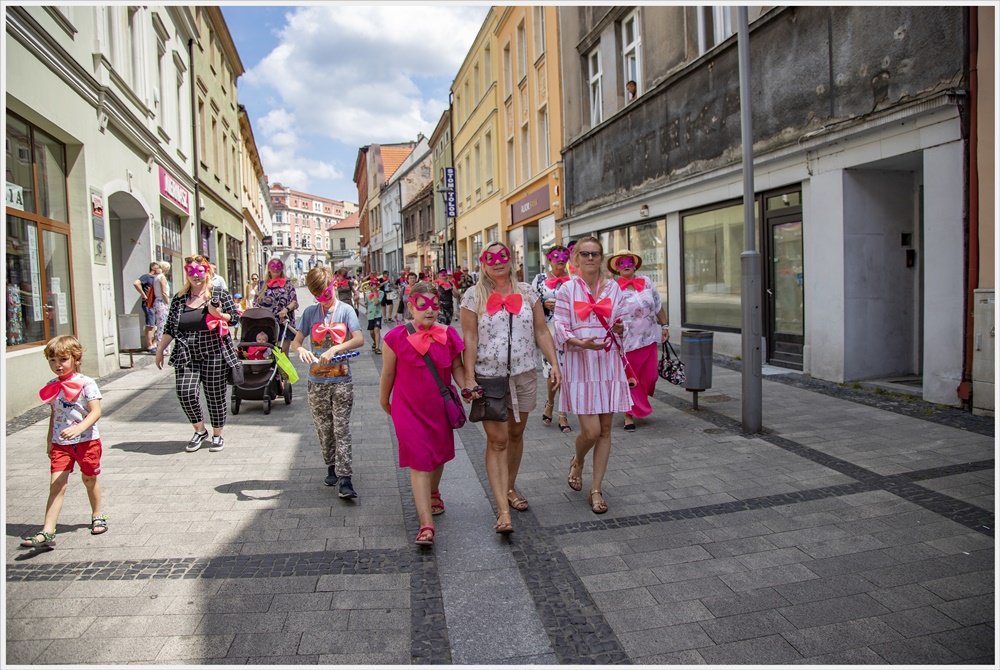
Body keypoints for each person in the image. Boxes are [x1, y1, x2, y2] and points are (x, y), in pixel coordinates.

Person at [461, 242, 561, 534]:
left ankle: (509, 487)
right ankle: (503, 511)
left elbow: (541, 330)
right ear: (483, 263)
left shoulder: (528, 293)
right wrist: (469, 377)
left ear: (512, 260)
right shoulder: (472, 296)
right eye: (490, 258)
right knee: (498, 440)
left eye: (502, 256)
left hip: (524, 374)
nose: (497, 262)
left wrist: (553, 363)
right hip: (488, 378)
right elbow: (469, 339)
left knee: (516, 434)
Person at [380, 282, 467, 546]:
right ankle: (426, 524)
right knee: (419, 461)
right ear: (410, 306)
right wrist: (385, 401)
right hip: (408, 411)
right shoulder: (395, 337)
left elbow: (457, 369)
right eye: (422, 304)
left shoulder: (449, 334)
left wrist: (467, 387)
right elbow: (388, 373)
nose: (429, 310)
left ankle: (433, 492)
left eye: (434, 303)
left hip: (438, 410)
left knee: (437, 457)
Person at [553, 237, 632, 515]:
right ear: (575, 258)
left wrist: (621, 328)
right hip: (580, 364)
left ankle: (596, 489)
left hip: (608, 363)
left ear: (601, 258)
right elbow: (560, 325)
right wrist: (578, 342)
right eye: (584, 254)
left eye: (595, 254)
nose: (589, 258)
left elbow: (624, 321)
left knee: (607, 430)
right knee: (591, 431)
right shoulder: (567, 289)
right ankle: (578, 459)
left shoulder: (613, 288)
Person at [20, 335, 107, 548]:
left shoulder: (87, 383)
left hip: (87, 441)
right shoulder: (52, 386)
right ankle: (48, 530)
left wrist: (79, 428)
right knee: (56, 485)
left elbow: (96, 412)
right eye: (52, 360)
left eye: (63, 360)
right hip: (61, 444)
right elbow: (54, 414)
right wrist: (50, 440)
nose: (57, 365)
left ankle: (97, 514)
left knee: (89, 479)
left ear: (76, 359)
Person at [292, 265, 365, 499]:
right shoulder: (310, 313)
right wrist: (300, 349)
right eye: (317, 296)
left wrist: (335, 348)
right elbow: (296, 342)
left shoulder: (346, 311)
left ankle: (346, 478)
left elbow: (359, 339)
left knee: (341, 428)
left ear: (333, 286)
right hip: (316, 382)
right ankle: (331, 466)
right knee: (324, 430)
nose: (322, 300)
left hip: (342, 379)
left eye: (325, 293)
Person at [155, 255, 240, 453]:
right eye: (191, 272)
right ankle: (200, 430)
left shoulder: (218, 293)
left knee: (215, 396)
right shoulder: (179, 298)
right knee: (185, 392)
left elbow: (234, 318)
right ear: (186, 274)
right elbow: (169, 327)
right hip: (186, 352)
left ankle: (217, 434)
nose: (196, 276)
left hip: (214, 352)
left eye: (200, 272)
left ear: (207, 272)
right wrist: (160, 350)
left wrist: (217, 314)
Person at [608, 250, 669, 431]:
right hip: (628, 341)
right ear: (617, 269)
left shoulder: (647, 282)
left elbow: (657, 305)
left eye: (629, 261)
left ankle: (638, 404)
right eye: (621, 263)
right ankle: (628, 415)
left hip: (649, 338)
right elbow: (609, 314)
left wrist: (664, 326)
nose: (626, 265)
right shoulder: (613, 288)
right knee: (631, 379)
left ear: (635, 264)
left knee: (651, 377)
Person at [531, 245, 574, 433]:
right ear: (549, 259)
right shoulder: (539, 279)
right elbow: (530, 303)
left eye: (564, 256)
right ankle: (550, 402)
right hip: (548, 332)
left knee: (567, 374)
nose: (560, 260)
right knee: (552, 372)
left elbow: (581, 305)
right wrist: (543, 304)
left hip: (569, 332)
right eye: (556, 257)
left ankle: (562, 414)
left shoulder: (574, 280)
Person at [254, 258, 299, 358]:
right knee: (267, 354)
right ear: (268, 269)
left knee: (281, 354)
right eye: (272, 267)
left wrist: (286, 310)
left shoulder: (288, 284)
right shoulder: (262, 284)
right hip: (266, 323)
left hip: (283, 322)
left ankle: (283, 373)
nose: (275, 269)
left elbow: (294, 302)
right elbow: (256, 303)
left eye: (278, 267)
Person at [133, 261, 160, 351]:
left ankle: (155, 343)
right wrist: (144, 295)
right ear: (154, 268)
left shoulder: (157, 277)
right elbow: (136, 283)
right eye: (158, 268)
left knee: (159, 324)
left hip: (157, 303)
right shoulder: (146, 277)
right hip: (149, 304)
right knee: (150, 324)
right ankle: (150, 346)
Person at [152, 261, 172, 355]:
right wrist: (168, 303)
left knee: (160, 325)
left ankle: (161, 347)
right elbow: (164, 292)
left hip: (157, 301)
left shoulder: (156, 277)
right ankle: (163, 348)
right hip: (162, 302)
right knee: (164, 326)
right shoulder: (162, 277)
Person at [364, 280, 383, 354]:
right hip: (370, 315)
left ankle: (377, 347)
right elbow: (366, 305)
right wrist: (358, 301)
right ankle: (375, 342)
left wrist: (375, 292)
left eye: (375, 285)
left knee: (376, 330)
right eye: (372, 285)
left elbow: (377, 302)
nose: (374, 287)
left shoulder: (381, 293)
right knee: (371, 332)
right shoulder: (367, 294)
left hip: (378, 314)